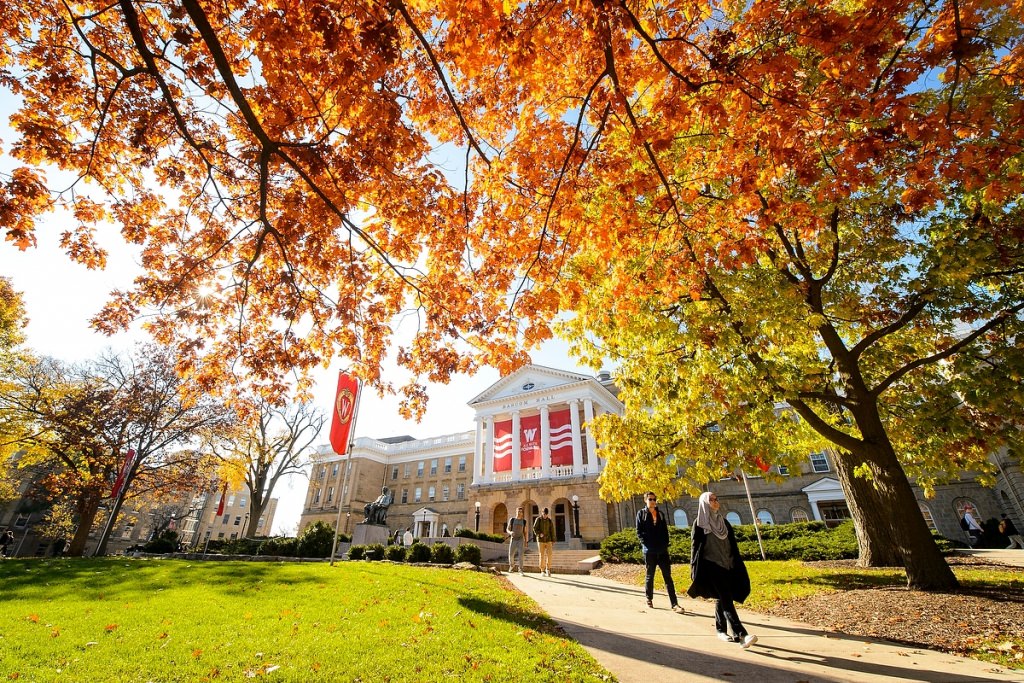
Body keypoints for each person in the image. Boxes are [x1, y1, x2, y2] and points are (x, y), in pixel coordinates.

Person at [687, 491, 757, 648]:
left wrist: (735, 562)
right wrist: (693, 568)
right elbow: (695, 548)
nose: (714, 502)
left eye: (716, 499)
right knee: (726, 597)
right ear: (704, 503)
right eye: (711, 500)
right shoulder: (699, 524)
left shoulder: (724, 523)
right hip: (711, 565)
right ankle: (741, 634)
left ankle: (720, 630)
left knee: (723, 597)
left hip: (728, 565)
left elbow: (732, 544)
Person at [635, 492, 683, 613]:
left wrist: (665, 544)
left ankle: (674, 603)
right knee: (650, 576)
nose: (652, 501)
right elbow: (639, 531)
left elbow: (665, 531)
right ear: (646, 500)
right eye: (650, 499)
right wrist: (645, 543)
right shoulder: (641, 514)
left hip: (662, 550)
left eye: (654, 499)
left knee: (668, 577)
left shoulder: (660, 514)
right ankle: (649, 598)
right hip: (649, 550)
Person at [533, 507, 556, 577]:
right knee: (542, 555)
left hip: (548, 539)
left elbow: (552, 530)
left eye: (546, 514)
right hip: (540, 540)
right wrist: (539, 534)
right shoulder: (538, 519)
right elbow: (534, 528)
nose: (545, 515)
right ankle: (542, 570)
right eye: (544, 514)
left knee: (550, 554)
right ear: (542, 513)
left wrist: (553, 540)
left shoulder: (549, 521)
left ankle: (548, 569)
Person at [507, 506, 528, 575]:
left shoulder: (524, 521)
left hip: (520, 539)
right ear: (516, 512)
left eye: (521, 512)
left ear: (522, 513)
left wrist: (526, 541)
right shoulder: (512, 520)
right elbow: (507, 529)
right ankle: (512, 566)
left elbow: (525, 532)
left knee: (521, 554)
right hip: (513, 539)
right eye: (518, 511)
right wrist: (510, 532)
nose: (519, 513)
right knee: (511, 554)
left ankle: (521, 569)